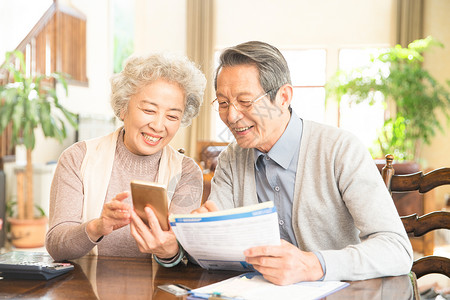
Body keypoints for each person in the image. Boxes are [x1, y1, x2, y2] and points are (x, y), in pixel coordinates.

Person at [195, 41, 413, 285]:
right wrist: (198, 237)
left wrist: (314, 264)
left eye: (245, 102)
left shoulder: (340, 149)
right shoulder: (231, 159)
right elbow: (219, 248)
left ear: (283, 97)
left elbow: (396, 249)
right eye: (223, 104)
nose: (232, 116)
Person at [46, 53, 206, 267]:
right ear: (123, 107)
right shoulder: (77, 158)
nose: (158, 126)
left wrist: (171, 251)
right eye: (149, 110)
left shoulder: (186, 172)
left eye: (172, 116)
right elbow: (57, 245)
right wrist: (97, 227)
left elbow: (183, 257)